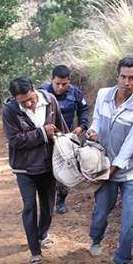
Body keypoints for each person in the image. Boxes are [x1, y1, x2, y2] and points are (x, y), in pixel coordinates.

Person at [86, 56, 133, 264]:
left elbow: (130, 145)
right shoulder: (104, 94)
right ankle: (96, 238)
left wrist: (112, 170)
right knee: (102, 211)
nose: (126, 82)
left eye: (131, 78)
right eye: (123, 76)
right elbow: (96, 120)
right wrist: (92, 132)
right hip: (105, 165)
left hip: (129, 172)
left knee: (129, 218)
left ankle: (122, 260)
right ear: (117, 76)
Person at [2, 77, 68, 264]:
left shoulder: (50, 100)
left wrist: (69, 146)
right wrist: (41, 133)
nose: (29, 104)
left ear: (33, 89)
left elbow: (61, 127)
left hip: (48, 165)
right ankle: (35, 251)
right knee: (30, 206)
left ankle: (42, 234)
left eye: (31, 99)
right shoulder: (10, 111)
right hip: (24, 168)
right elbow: (15, 140)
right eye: (23, 102)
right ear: (14, 99)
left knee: (48, 205)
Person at [39, 65, 89, 214]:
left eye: (64, 84)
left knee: (66, 171)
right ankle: (45, 203)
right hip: (45, 140)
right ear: (51, 80)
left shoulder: (75, 93)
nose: (61, 87)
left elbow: (83, 109)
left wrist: (81, 126)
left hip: (66, 140)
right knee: (46, 172)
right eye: (57, 84)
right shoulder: (41, 93)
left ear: (69, 81)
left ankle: (61, 200)